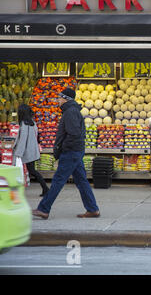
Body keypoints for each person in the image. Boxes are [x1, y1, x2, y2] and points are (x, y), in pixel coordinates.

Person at [32, 88, 100, 220]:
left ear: (65, 99)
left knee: (58, 180)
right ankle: (92, 209)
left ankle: (43, 209)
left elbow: (73, 134)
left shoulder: (70, 112)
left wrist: (64, 148)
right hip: (75, 151)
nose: (57, 100)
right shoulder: (71, 111)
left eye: (59, 98)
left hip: (71, 152)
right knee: (81, 181)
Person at [13, 104, 49, 197]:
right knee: (32, 170)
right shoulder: (32, 122)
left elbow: (22, 140)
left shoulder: (24, 124)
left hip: (28, 151)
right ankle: (45, 189)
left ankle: (46, 188)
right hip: (32, 150)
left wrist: (18, 152)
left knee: (32, 171)